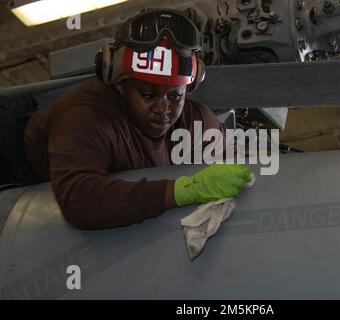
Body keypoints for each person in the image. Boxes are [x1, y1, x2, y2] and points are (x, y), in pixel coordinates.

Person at [24, 9, 251, 230]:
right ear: (121, 85)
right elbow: (79, 200)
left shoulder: (196, 121)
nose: (163, 109)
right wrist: (185, 190)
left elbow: (240, 158)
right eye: (148, 95)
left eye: (175, 95)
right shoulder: (82, 117)